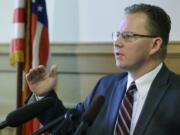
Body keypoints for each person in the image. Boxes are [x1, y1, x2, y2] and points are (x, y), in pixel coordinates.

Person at [26, 3, 180, 135]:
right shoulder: (106, 86)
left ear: (155, 45)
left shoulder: (176, 92)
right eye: (117, 35)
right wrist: (45, 95)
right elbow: (71, 128)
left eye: (127, 36)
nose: (117, 42)